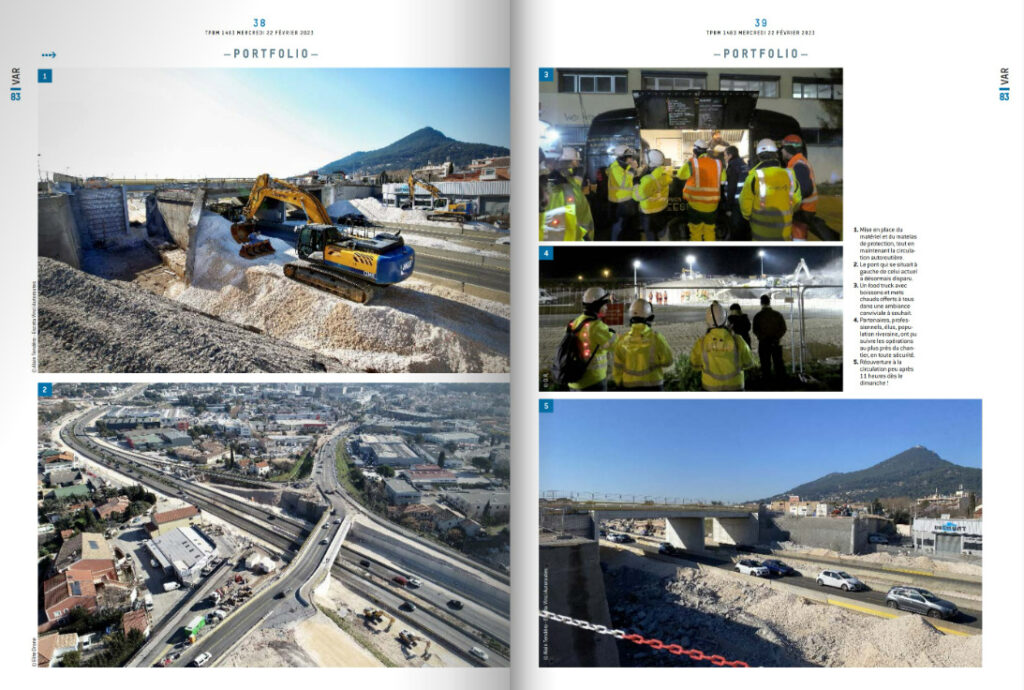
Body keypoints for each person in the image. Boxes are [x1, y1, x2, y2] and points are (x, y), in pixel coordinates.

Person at [739, 139, 802, 241]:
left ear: (759, 156)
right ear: (776, 154)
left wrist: (749, 217)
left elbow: (745, 207)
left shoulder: (753, 177)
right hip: (784, 236)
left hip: (760, 236)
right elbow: (797, 202)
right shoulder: (790, 175)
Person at [689, 301, 754, 391]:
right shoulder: (738, 340)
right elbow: (749, 363)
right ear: (725, 319)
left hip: (710, 387)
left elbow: (694, 364)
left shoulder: (702, 342)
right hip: (735, 386)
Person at [612, 299, 674, 391]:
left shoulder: (622, 340)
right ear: (650, 318)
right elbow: (668, 361)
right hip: (654, 387)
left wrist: (618, 383)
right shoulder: (656, 338)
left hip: (629, 387)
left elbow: (617, 368)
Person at [568, 287, 615, 391]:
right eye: (604, 304)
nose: (606, 307)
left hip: (575, 381)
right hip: (593, 381)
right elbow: (617, 346)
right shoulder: (597, 326)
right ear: (597, 305)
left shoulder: (576, 322)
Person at [540, 147, 593, 241]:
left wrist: (586, 237)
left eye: (555, 160)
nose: (577, 164)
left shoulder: (570, 183)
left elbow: (583, 215)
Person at [678, 140, 724, 241]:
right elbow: (723, 179)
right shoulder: (718, 163)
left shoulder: (692, 162)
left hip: (695, 205)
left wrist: (690, 161)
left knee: (696, 231)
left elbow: (680, 175)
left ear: (694, 151)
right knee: (710, 230)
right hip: (712, 206)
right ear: (706, 151)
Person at [780, 134, 817, 242]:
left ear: (789, 149)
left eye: (783, 149)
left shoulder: (798, 165)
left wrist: (790, 201)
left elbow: (806, 189)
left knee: (798, 237)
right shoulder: (797, 162)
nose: (781, 151)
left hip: (802, 210)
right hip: (805, 208)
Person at [632, 149, 672, 242]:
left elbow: (637, 196)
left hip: (648, 213)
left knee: (651, 236)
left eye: (646, 160)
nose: (644, 162)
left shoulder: (648, 180)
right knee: (660, 231)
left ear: (651, 163)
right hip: (662, 209)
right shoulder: (664, 174)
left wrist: (636, 184)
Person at [606, 145, 639, 241]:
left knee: (626, 227)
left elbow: (630, 180)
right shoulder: (615, 168)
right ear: (622, 157)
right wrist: (632, 170)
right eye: (629, 157)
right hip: (619, 202)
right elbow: (623, 183)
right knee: (618, 226)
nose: (631, 159)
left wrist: (634, 170)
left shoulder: (625, 167)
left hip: (626, 201)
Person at [752, 294, 787, 381]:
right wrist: (776, 338)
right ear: (769, 302)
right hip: (775, 343)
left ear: (761, 303)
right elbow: (783, 328)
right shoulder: (777, 315)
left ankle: (767, 382)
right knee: (778, 363)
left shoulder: (758, 316)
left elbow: (755, 330)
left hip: (763, 343)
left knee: (765, 364)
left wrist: (763, 337)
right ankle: (781, 382)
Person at [722, 145, 750, 241]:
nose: (724, 158)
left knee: (736, 230)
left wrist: (728, 207)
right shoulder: (744, 164)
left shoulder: (732, 166)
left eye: (725, 155)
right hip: (744, 201)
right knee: (744, 228)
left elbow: (731, 188)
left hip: (736, 203)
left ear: (730, 155)